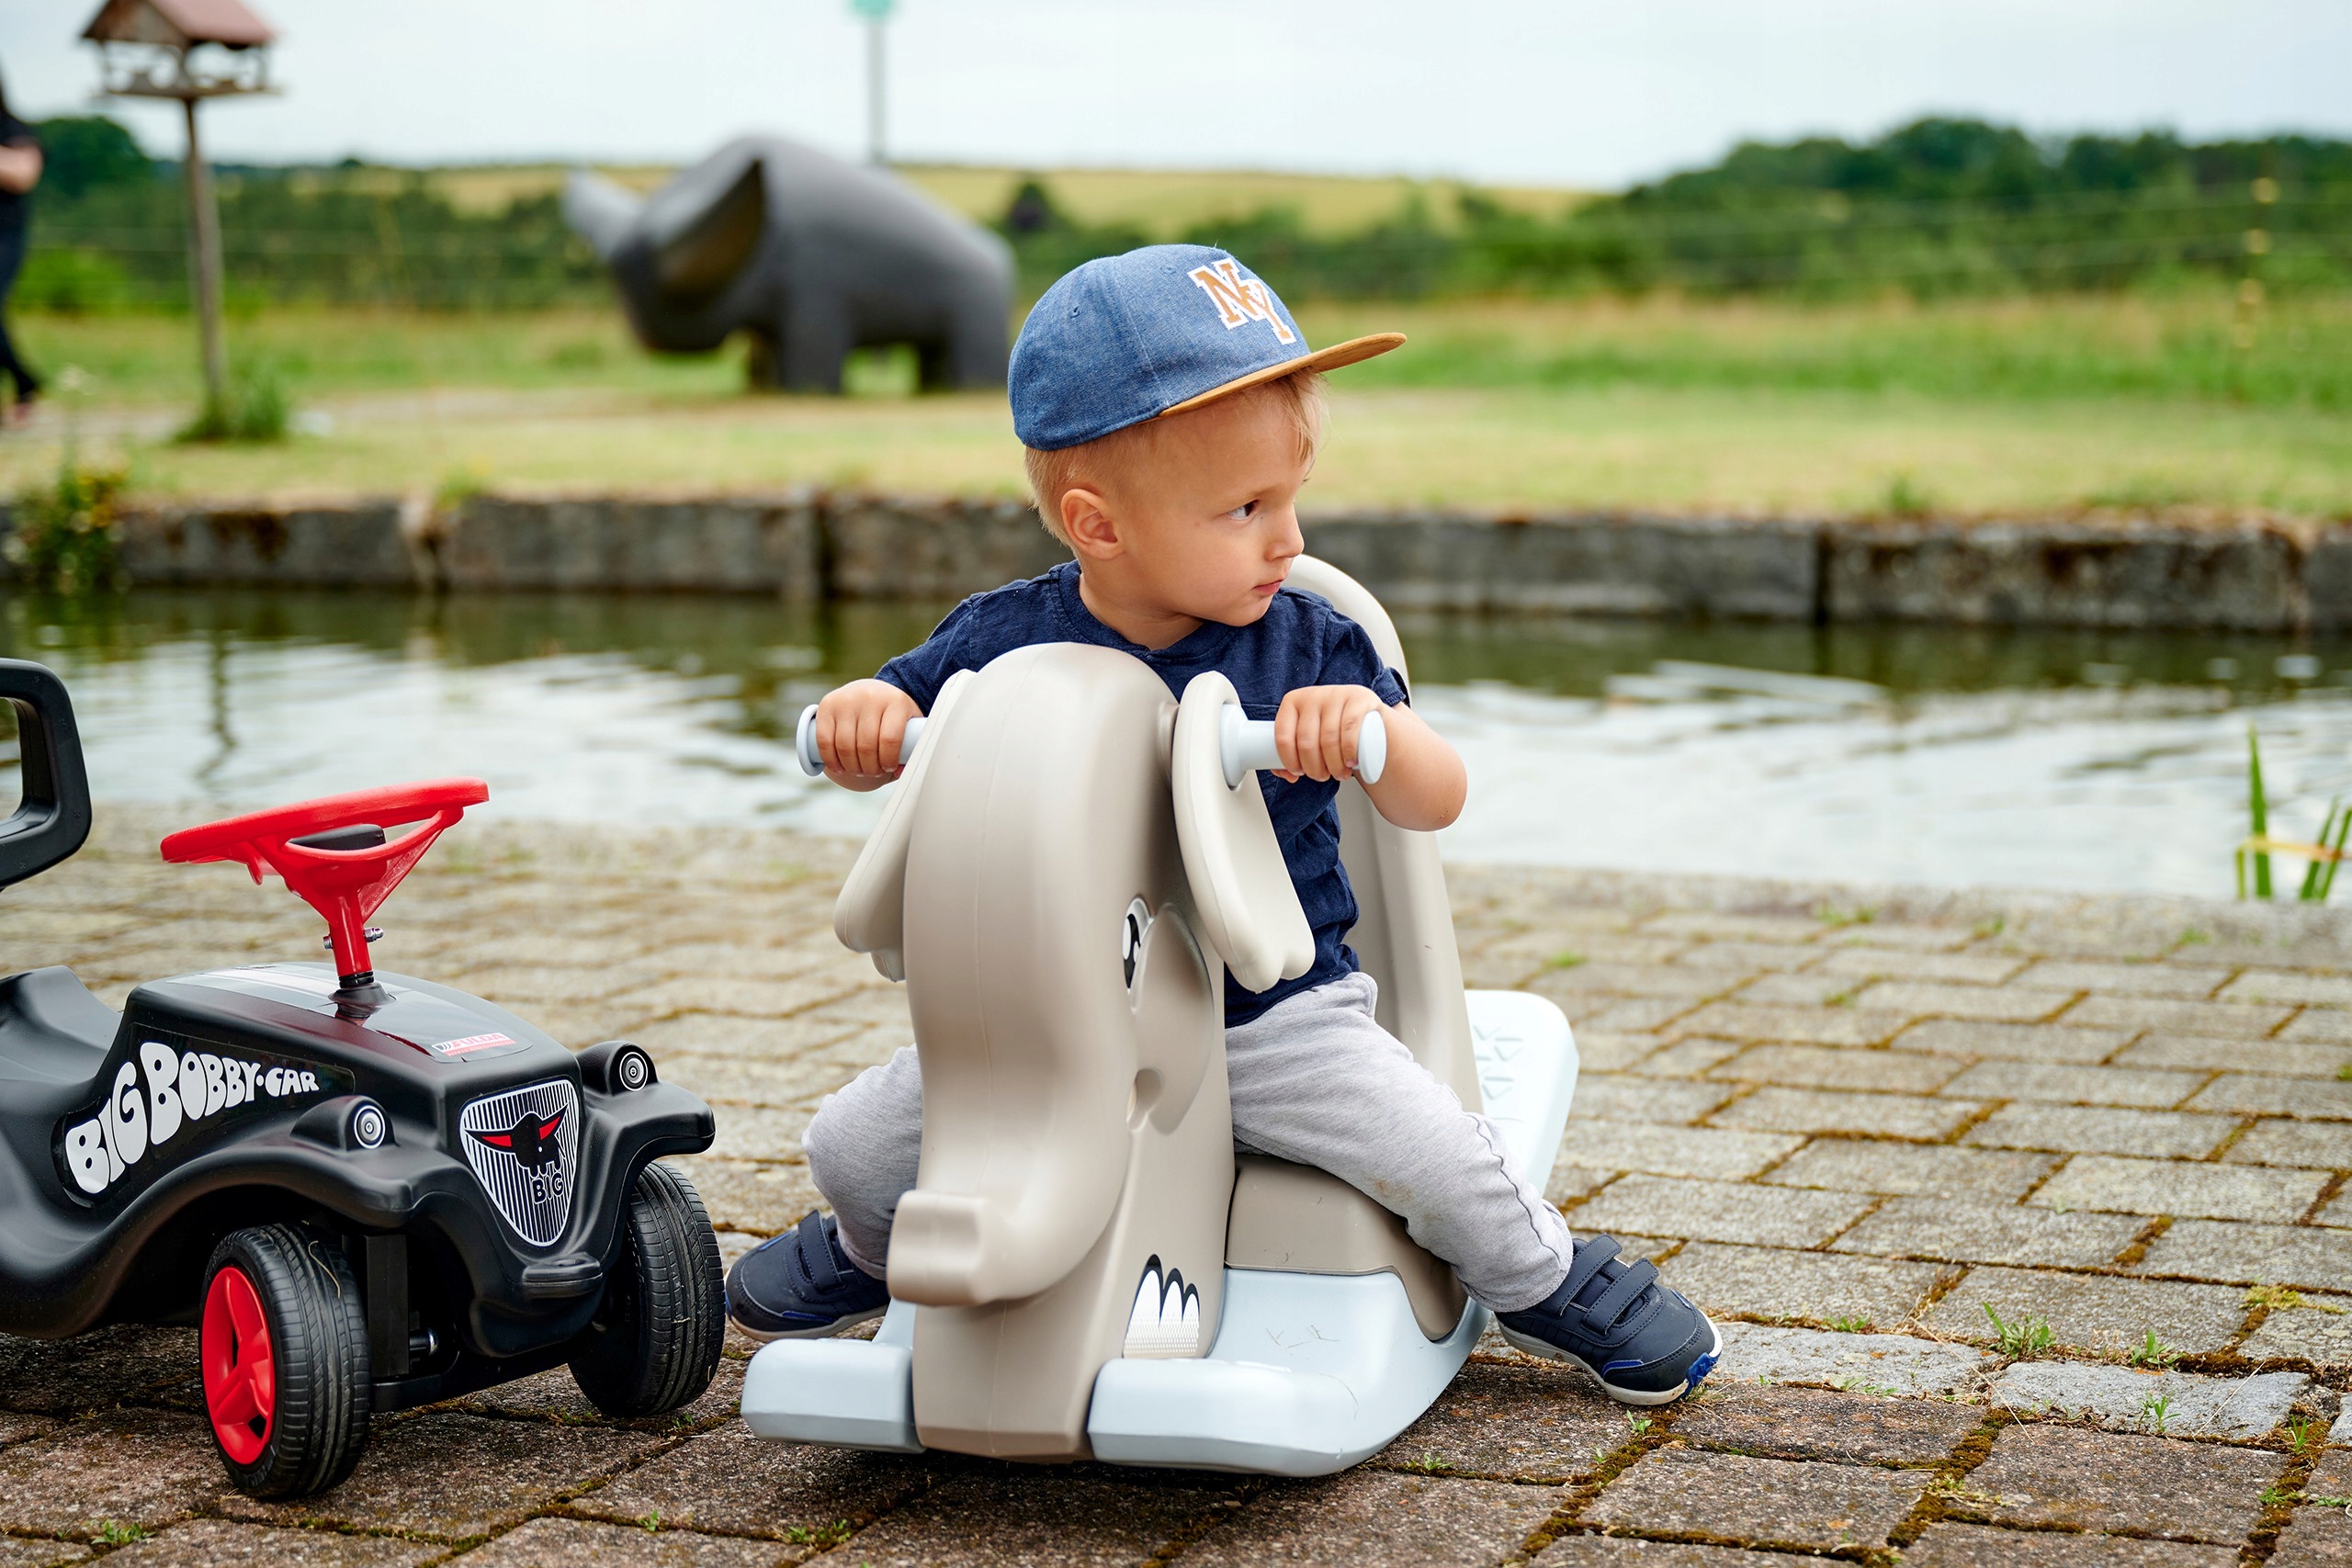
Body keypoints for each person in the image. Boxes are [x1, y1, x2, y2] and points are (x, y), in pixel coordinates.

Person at [726, 245, 1721, 1405]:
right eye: (1246, 509)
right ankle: (869, 1251)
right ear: (1098, 525)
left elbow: (1434, 796)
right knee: (851, 1147)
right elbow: (894, 730)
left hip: (1274, 1017)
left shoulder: (1309, 642)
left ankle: (1545, 1275)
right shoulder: (998, 642)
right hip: (1056, 1019)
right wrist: (869, 716)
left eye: (1290, 498)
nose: (1287, 539)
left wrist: (1371, 731)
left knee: (1438, 1155)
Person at [0, 74, 41, 428]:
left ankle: (25, 381)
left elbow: (23, 173)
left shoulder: (11, 127)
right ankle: (24, 381)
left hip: (4, 234)